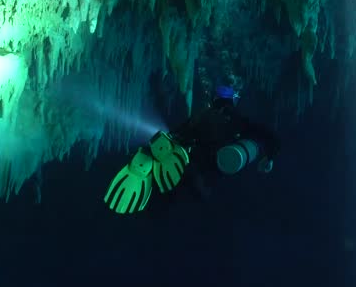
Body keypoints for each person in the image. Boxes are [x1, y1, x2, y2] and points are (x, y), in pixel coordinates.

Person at [103, 86, 281, 214]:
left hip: (193, 162)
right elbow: (270, 136)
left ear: (214, 99)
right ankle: (193, 196)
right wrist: (269, 158)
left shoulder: (201, 116)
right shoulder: (240, 121)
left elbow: (177, 135)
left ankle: (156, 190)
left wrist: (156, 147)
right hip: (214, 168)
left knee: (177, 183)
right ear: (232, 101)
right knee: (198, 191)